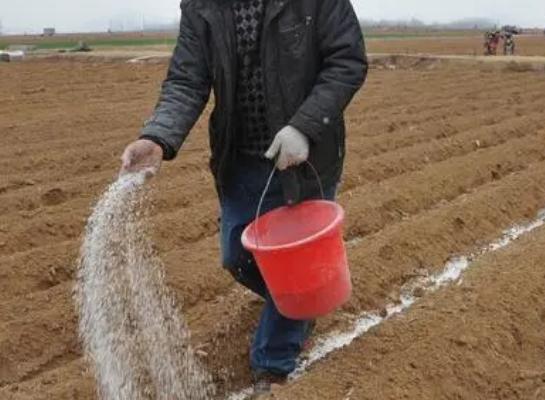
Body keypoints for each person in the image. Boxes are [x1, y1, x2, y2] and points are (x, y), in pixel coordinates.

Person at [120, 0, 368, 395]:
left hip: (303, 156)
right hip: (241, 158)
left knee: (294, 260)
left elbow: (347, 61)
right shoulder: (202, 7)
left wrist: (303, 127)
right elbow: (187, 79)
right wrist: (158, 137)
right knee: (236, 257)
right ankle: (301, 304)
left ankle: (272, 368)